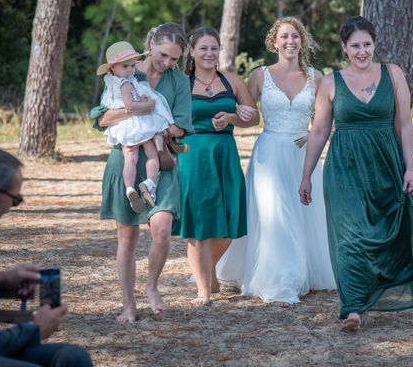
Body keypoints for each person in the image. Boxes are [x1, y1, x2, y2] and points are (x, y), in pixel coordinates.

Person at [299, 15, 413, 332]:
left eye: (367, 44)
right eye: (355, 45)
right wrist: (306, 176)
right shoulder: (330, 83)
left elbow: (405, 124)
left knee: (384, 232)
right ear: (344, 47)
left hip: (386, 165)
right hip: (344, 170)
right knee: (350, 238)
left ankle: (370, 295)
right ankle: (353, 308)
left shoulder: (393, 74)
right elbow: (318, 133)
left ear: (375, 44)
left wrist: (410, 168)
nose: (362, 51)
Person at [216, 17, 336, 306]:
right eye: (284, 37)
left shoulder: (316, 77)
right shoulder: (260, 76)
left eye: (295, 36)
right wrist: (233, 118)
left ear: (302, 41)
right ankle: (280, 280)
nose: (290, 42)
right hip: (269, 154)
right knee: (276, 216)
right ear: (274, 42)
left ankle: (305, 271)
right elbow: (250, 116)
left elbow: (322, 122)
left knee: (303, 214)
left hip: (303, 152)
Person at [90, 22, 193, 322]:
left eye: (174, 58)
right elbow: (101, 118)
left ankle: (151, 287)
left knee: (161, 229)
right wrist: (138, 109)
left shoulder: (178, 82)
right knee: (127, 237)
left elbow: (181, 126)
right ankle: (128, 304)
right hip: (124, 159)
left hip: (160, 160)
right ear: (150, 45)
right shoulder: (124, 71)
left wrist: (158, 125)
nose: (168, 63)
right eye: (163, 55)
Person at [0, 146, 93, 367]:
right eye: (15, 199)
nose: (14, 206)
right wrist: (33, 330)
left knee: (73, 358)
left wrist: (2, 281)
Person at [172, 26, 259, 307]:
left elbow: (252, 117)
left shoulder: (232, 81)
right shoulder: (180, 83)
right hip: (193, 154)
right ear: (192, 52)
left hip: (225, 153)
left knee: (229, 221)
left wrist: (233, 118)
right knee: (198, 223)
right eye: (204, 48)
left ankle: (209, 269)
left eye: (214, 48)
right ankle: (203, 291)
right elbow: (168, 123)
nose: (210, 53)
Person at [97, 41, 175, 212]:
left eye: (132, 65)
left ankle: (130, 188)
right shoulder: (125, 83)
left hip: (126, 127)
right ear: (112, 68)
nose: (131, 70)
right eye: (125, 66)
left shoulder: (112, 82)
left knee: (130, 158)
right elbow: (130, 106)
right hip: (137, 123)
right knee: (151, 153)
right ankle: (150, 182)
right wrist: (148, 106)